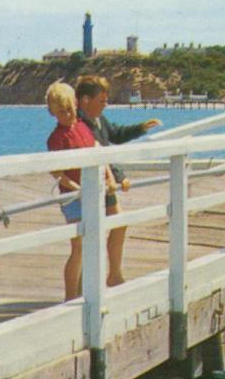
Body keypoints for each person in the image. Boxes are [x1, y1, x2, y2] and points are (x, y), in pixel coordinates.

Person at [74, 75, 162, 290]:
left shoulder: (98, 120)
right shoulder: (79, 123)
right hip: (91, 185)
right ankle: (82, 286)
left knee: (118, 223)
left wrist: (141, 128)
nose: (105, 105)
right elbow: (98, 153)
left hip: (106, 183)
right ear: (85, 100)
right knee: (90, 235)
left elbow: (116, 134)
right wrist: (119, 177)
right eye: (101, 101)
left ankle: (113, 275)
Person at [45, 82, 120, 299]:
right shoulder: (57, 138)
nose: (68, 114)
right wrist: (76, 187)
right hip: (74, 199)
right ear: (53, 113)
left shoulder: (82, 127)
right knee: (78, 248)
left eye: (70, 109)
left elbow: (98, 151)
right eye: (62, 112)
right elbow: (57, 172)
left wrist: (110, 177)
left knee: (90, 245)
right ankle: (70, 297)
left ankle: (83, 292)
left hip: (92, 195)